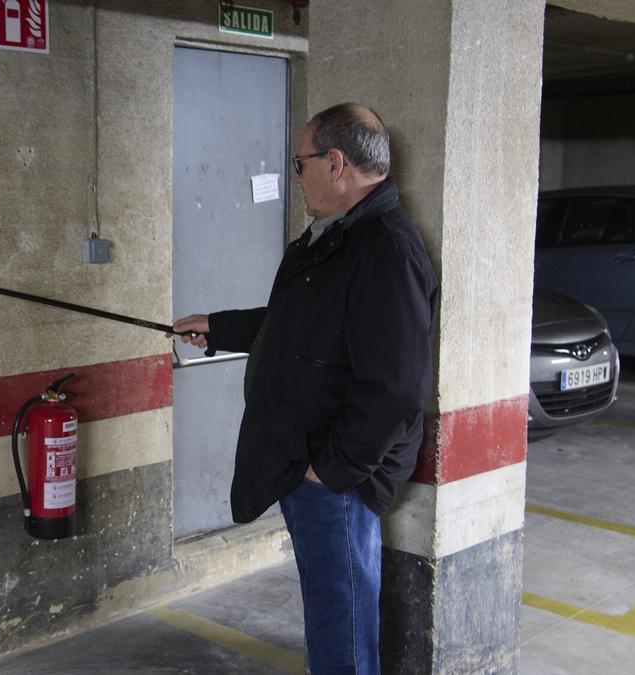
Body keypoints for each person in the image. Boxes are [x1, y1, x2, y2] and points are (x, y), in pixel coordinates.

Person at [170, 103, 438, 674]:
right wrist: (219, 327)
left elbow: (396, 388)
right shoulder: (337, 238)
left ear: (335, 163)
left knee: (340, 615)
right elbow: (299, 321)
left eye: (301, 163)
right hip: (311, 458)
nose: (297, 177)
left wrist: (330, 470)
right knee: (330, 605)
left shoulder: (385, 247)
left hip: (334, 474)